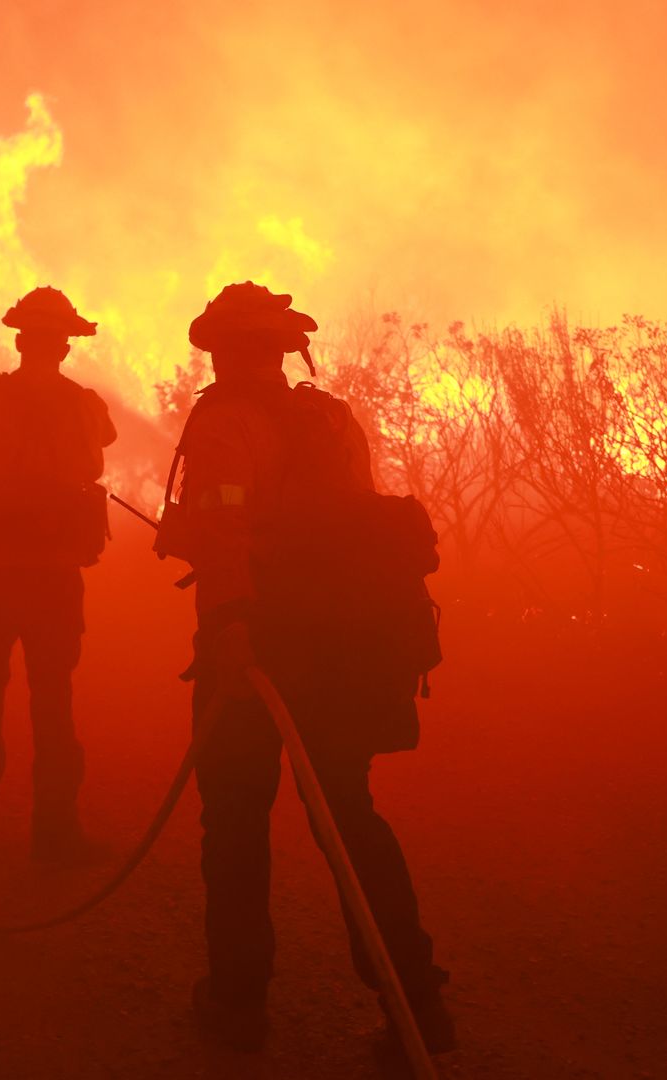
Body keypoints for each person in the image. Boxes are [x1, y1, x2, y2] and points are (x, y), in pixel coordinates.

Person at [156, 282, 454, 1057]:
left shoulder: (225, 423)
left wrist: (228, 629)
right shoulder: (332, 417)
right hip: (346, 647)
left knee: (235, 822)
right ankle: (415, 1005)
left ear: (227, 349)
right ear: (284, 351)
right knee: (350, 819)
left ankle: (236, 1005)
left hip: (258, 647)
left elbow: (224, 531)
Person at [0, 286, 117, 865]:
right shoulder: (86, 406)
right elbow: (98, 457)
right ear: (63, 348)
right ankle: (55, 833)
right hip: (54, 581)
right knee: (53, 705)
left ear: (18, 341)